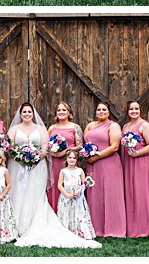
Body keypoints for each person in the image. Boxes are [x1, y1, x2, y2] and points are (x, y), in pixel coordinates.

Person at [8, 101, 101, 248]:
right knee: (18, 192)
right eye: (24, 112)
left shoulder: (41, 128)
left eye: (29, 112)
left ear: (33, 114)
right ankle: (15, 226)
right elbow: (9, 145)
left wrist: (35, 159)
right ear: (20, 114)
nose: (26, 114)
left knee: (35, 193)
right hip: (17, 165)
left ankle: (32, 224)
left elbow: (45, 146)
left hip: (37, 166)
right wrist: (20, 158)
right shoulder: (14, 128)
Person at [82, 103, 126, 239]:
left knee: (110, 194)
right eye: (98, 110)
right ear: (95, 112)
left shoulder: (113, 126)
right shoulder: (90, 126)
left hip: (108, 163)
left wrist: (97, 156)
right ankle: (95, 228)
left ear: (108, 113)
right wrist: (87, 155)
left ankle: (114, 228)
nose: (101, 112)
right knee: (94, 195)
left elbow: (114, 146)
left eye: (104, 110)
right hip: (92, 165)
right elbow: (85, 144)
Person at [120, 101, 149, 237]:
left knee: (142, 193)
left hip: (141, 162)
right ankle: (132, 228)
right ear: (128, 111)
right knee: (130, 192)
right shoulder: (125, 126)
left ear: (140, 110)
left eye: (136, 109)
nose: (134, 111)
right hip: (128, 162)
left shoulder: (145, 125)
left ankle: (146, 228)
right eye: (131, 109)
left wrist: (137, 153)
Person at [48, 102, 85, 211]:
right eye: (59, 110)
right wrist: (51, 152)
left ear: (69, 112)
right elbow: (46, 145)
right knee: (55, 186)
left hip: (70, 164)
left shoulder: (75, 127)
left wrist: (66, 152)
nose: (61, 112)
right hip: (54, 163)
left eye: (64, 110)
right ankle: (55, 213)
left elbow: (80, 147)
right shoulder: (52, 128)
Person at [55, 150, 96, 240]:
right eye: (70, 157)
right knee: (66, 214)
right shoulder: (63, 171)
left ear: (77, 160)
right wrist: (67, 194)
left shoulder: (80, 171)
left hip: (78, 198)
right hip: (66, 197)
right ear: (66, 159)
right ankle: (66, 233)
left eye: (74, 158)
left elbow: (84, 184)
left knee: (79, 214)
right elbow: (59, 185)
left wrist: (80, 192)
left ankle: (81, 232)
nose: (72, 159)